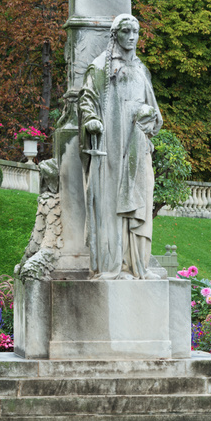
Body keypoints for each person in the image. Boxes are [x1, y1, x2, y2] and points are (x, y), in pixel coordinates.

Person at [79, 14, 163, 280]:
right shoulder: (99, 68)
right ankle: (113, 266)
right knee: (112, 201)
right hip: (111, 144)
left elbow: (157, 113)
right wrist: (91, 120)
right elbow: (86, 101)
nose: (132, 37)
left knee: (142, 196)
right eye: (126, 31)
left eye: (136, 32)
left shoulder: (141, 69)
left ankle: (138, 265)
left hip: (137, 143)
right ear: (115, 35)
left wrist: (149, 118)